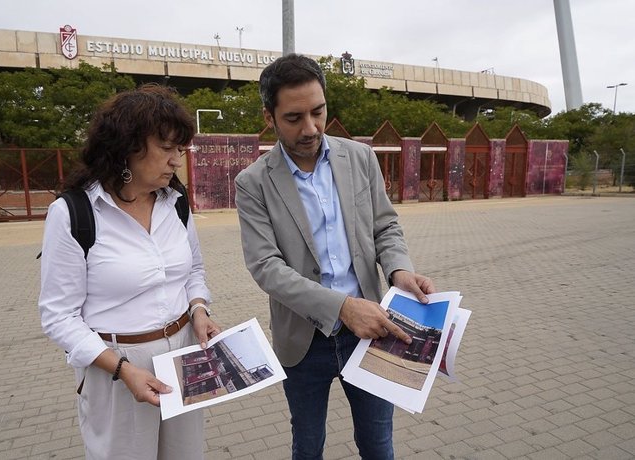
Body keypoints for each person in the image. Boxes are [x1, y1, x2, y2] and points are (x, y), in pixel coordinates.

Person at [234, 54, 435, 460]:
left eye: (318, 111)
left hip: (373, 330)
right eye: (293, 117)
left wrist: (399, 270)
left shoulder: (359, 158)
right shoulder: (253, 182)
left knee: (378, 445)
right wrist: (342, 307)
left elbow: (385, 226)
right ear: (269, 116)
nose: (310, 128)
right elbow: (266, 268)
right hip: (302, 341)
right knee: (307, 446)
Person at [38, 84, 220, 460]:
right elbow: (58, 316)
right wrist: (122, 369)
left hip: (184, 356)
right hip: (115, 367)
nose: (176, 161)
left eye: (180, 149)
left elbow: (193, 271)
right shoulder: (75, 213)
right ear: (128, 147)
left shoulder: (176, 202)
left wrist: (199, 309)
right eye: (166, 148)